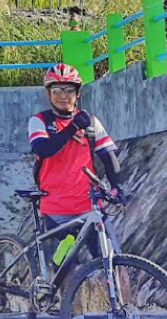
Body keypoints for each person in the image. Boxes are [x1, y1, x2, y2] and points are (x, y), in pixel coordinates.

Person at [28, 63, 128, 265]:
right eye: (57, 90)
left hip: (89, 205)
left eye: (68, 90)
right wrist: (73, 127)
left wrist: (117, 187)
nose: (63, 96)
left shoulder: (90, 122)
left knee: (111, 261)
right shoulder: (40, 121)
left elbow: (107, 156)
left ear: (78, 93)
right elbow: (43, 149)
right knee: (65, 268)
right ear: (48, 93)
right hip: (56, 209)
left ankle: (116, 296)